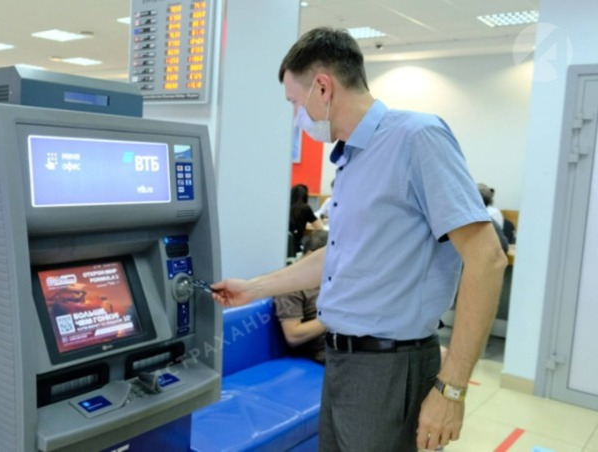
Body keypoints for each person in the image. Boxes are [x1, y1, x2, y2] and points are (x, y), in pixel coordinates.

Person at [211, 27, 507, 452]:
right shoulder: (351, 157)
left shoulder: (417, 137)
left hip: (390, 367)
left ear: (323, 87)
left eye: (294, 102)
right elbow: (338, 256)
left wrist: (452, 388)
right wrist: (254, 288)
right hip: (342, 361)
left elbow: (487, 258)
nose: (296, 115)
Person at [274, 230, 328, 364]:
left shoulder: (328, 276)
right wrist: (337, 317)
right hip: (327, 348)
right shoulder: (288, 285)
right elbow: (293, 335)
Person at [289, 183, 324, 253]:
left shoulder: (285, 206)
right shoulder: (305, 208)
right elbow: (320, 227)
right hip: (296, 246)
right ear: (305, 196)